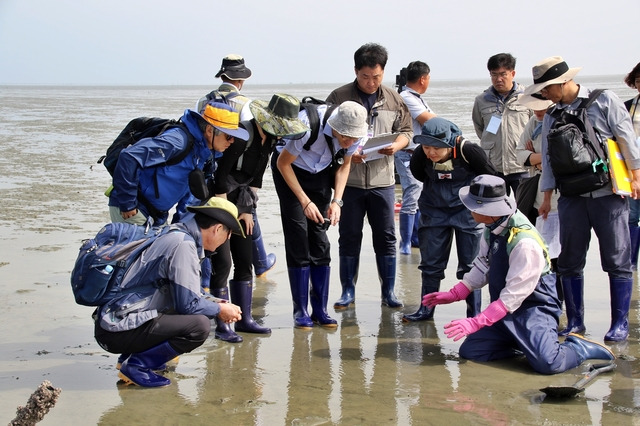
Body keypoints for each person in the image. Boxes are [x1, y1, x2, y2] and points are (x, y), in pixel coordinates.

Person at [423, 175, 615, 375]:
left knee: (549, 364)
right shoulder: (492, 228)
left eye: (473, 207)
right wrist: (455, 293)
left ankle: (577, 347)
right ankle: (523, 343)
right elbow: (482, 266)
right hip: (504, 311)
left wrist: (476, 321)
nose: (469, 210)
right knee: (472, 351)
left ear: (486, 211)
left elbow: (512, 297)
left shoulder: (524, 243)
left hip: (533, 309)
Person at [524, 56, 640, 342]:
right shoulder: (551, 114)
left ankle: (619, 324)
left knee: (617, 260)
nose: (544, 95)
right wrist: (548, 196)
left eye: (546, 89)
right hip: (571, 197)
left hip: (608, 194)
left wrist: (636, 176)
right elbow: (549, 161)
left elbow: (626, 138)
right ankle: (575, 321)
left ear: (562, 82)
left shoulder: (604, 101)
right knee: (570, 261)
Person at [94, 197, 245, 387]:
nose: (227, 240)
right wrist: (219, 310)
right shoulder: (184, 245)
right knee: (199, 326)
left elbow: (189, 292)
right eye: (229, 234)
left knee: (192, 310)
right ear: (217, 229)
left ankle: (128, 357)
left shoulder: (178, 234)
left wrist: (218, 303)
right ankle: (138, 365)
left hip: (115, 321)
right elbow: (188, 304)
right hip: (116, 330)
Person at [209, 93, 311, 340]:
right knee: (222, 263)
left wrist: (246, 211)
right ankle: (223, 324)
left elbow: (255, 178)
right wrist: (226, 214)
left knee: (245, 260)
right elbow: (220, 176)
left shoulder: (269, 141)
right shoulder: (242, 135)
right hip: (219, 201)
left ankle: (245, 319)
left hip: (242, 202)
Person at [326, 43, 413, 310]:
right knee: (349, 236)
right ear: (355, 71)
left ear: (383, 72)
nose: (371, 82)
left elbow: (407, 132)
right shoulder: (339, 97)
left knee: (386, 237)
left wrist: (396, 146)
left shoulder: (394, 99)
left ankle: (388, 293)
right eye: (365, 77)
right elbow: (327, 136)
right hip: (349, 182)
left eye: (376, 77)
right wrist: (350, 152)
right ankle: (347, 292)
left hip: (383, 182)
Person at [272, 101, 368, 329]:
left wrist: (337, 201)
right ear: (334, 125)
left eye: (354, 138)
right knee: (298, 236)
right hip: (291, 172)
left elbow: (344, 166)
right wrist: (304, 201)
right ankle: (301, 311)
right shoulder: (307, 126)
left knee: (320, 241)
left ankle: (320, 310)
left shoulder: (357, 136)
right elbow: (282, 163)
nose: (349, 142)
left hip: (321, 174)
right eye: (345, 136)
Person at [402, 118, 496, 323]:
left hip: (467, 213)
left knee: (471, 266)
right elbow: (419, 174)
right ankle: (426, 310)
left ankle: (473, 313)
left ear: (450, 143)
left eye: (436, 148)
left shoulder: (469, 151)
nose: (431, 153)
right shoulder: (421, 155)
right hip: (434, 211)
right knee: (430, 265)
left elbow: (491, 177)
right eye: (426, 147)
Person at [196, 54, 277, 278]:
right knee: (247, 219)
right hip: (233, 176)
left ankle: (205, 280)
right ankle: (260, 263)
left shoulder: (203, 101)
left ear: (222, 75)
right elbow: (246, 142)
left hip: (206, 170)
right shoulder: (246, 105)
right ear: (241, 81)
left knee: (208, 231)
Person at [108, 102, 248, 226]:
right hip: (135, 209)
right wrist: (127, 204)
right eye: (228, 136)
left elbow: (190, 196)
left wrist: (180, 228)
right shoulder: (177, 141)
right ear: (210, 130)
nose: (232, 142)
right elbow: (129, 157)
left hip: (157, 216)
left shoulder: (204, 153)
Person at [472, 53, 532, 194]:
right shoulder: (481, 100)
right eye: (494, 75)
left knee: (524, 210)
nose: (498, 79)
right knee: (494, 211)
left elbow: (536, 126)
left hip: (520, 165)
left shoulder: (527, 97)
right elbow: (480, 129)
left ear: (513, 73)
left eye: (503, 74)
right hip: (493, 166)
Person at [396, 61, 437, 254]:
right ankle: (405, 243)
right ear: (423, 78)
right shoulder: (406, 97)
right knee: (412, 195)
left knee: (419, 195)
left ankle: (415, 239)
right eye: (428, 78)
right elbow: (429, 119)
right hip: (407, 153)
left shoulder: (415, 97)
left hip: (419, 154)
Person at [196, 54, 254, 121]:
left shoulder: (201, 102)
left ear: (221, 77)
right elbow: (247, 130)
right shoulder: (245, 104)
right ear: (241, 79)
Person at [623, 62, 640, 270]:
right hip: (632, 171)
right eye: (637, 81)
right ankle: (631, 265)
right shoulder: (627, 107)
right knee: (631, 217)